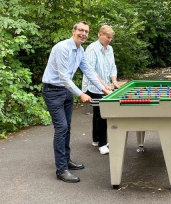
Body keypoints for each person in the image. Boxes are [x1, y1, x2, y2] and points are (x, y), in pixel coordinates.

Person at [42, 21, 112, 183]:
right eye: (80, 30)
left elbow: (89, 71)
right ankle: (61, 169)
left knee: (67, 127)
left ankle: (66, 160)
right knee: (61, 128)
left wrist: (103, 89)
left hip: (65, 91)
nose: (83, 34)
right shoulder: (62, 48)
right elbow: (64, 77)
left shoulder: (80, 51)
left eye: (86, 31)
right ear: (73, 31)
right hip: (53, 91)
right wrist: (81, 94)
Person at [82, 25, 119, 155]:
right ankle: (103, 144)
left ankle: (96, 139)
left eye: (111, 38)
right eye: (108, 37)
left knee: (98, 112)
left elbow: (112, 67)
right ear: (100, 35)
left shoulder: (110, 49)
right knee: (103, 113)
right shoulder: (92, 49)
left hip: (105, 86)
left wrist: (114, 81)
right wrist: (103, 85)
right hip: (92, 86)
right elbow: (90, 72)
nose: (110, 40)